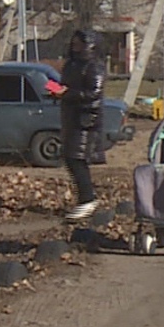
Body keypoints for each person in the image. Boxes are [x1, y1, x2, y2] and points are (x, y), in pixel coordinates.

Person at [51, 29, 105, 220]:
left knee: (77, 158)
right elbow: (70, 87)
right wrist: (57, 92)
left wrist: (67, 94)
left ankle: (88, 199)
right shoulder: (71, 65)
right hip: (71, 117)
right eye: (74, 44)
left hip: (86, 119)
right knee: (69, 157)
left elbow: (94, 93)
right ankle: (84, 198)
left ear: (89, 45)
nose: (75, 48)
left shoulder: (93, 66)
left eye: (79, 44)